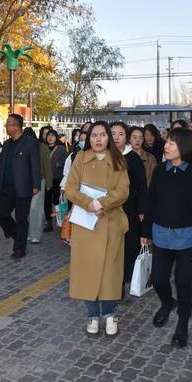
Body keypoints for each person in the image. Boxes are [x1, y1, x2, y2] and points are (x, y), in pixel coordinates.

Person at [142, 128, 192, 348]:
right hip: (162, 234)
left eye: (172, 143)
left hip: (189, 237)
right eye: (167, 142)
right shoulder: (160, 171)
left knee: (184, 281)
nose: (166, 146)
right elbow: (151, 201)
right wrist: (145, 232)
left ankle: (182, 323)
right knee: (158, 279)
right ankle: (167, 302)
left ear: (184, 146)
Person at [65, 121, 129, 336]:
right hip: (85, 224)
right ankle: (92, 316)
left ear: (109, 138)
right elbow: (71, 189)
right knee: (87, 271)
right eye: (94, 135)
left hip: (110, 223)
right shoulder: (81, 158)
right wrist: (88, 203)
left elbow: (123, 191)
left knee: (110, 272)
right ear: (88, 138)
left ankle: (110, 314)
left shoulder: (118, 161)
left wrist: (102, 203)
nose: (98, 139)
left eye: (103, 135)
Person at [0, 114, 41, 259]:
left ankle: (19, 248)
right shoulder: (7, 144)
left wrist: (36, 185)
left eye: (8, 124)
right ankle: (16, 234)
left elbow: (35, 166)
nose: (6, 126)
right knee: (1, 213)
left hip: (23, 187)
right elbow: (1, 166)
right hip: (6, 187)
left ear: (16, 126)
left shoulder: (31, 143)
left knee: (21, 218)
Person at [111, 122, 148, 297]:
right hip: (105, 209)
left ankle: (120, 285)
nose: (116, 137)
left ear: (126, 137)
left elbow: (142, 187)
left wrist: (142, 210)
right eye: (113, 133)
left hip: (128, 210)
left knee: (125, 247)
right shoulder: (103, 156)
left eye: (120, 134)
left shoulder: (133, 159)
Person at [25, 127, 52, 244]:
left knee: (35, 208)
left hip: (39, 181)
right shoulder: (21, 147)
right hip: (24, 182)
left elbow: (47, 167)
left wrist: (48, 183)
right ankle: (29, 233)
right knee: (26, 210)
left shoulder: (42, 148)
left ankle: (36, 234)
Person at [43, 130, 68, 232]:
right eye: (49, 136)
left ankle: (60, 220)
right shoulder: (43, 148)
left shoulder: (61, 149)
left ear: (56, 137)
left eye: (53, 136)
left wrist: (59, 164)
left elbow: (67, 161)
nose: (50, 138)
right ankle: (49, 222)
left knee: (57, 200)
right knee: (47, 201)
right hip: (46, 179)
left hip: (58, 178)